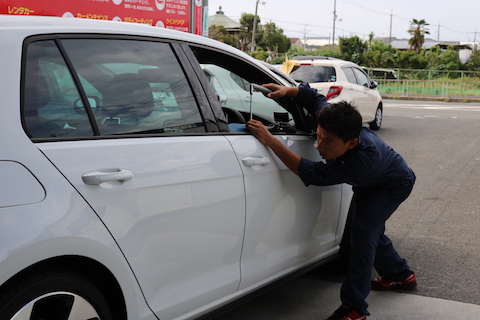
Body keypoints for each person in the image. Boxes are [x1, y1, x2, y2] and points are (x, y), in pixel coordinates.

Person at [246, 83, 416, 320]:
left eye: (328, 143)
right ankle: (401, 275)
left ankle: (354, 308)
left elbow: (312, 174)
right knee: (371, 231)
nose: (319, 146)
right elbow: (314, 98)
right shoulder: (337, 121)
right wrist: (288, 91)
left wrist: (271, 140)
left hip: (392, 185)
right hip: (371, 182)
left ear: (351, 143)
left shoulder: (362, 161)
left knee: (362, 237)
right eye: (319, 136)